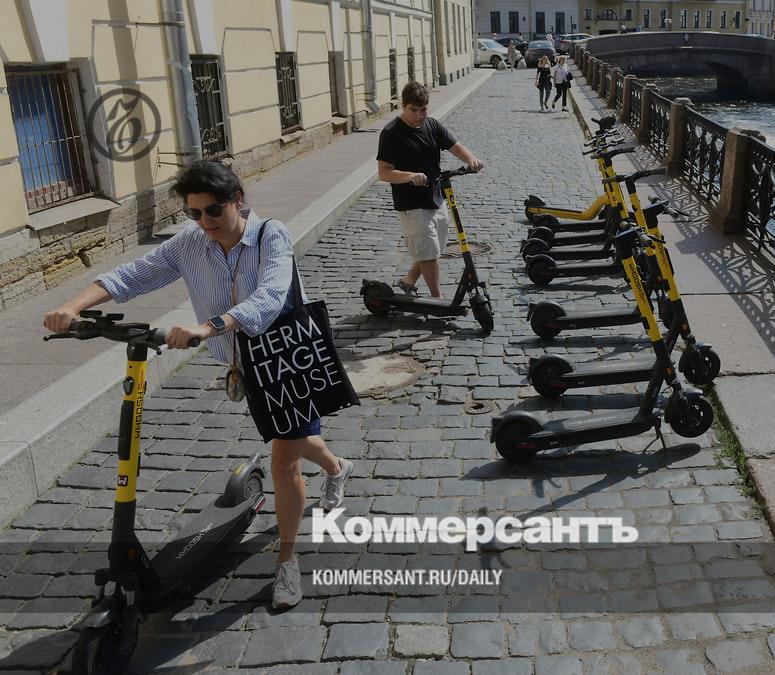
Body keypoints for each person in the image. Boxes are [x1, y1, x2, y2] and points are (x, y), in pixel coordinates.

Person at [42, 160, 353, 612]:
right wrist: (70, 306)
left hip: (286, 359)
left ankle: (286, 561)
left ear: (237, 200)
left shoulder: (272, 235)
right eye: (194, 213)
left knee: (284, 459)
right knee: (297, 437)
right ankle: (337, 466)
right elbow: (134, 274)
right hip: (244, 366)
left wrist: (209, 327)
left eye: (213, 211)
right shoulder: (190, 243)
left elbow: (268, 297)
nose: (204, 222)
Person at [376, 82, 485, 298]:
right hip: (411, 203)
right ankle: (438, 298)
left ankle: (408, 281)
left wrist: (471, 159)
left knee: (432, 249)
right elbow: (384, 172)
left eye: (423, 110)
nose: (419, 116)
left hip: (436, 198)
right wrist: (409, 176)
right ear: (403, 106)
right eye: (413, 110)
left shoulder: (432, 125)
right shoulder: (391, 133)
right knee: (430, 253)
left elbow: (455, 146)